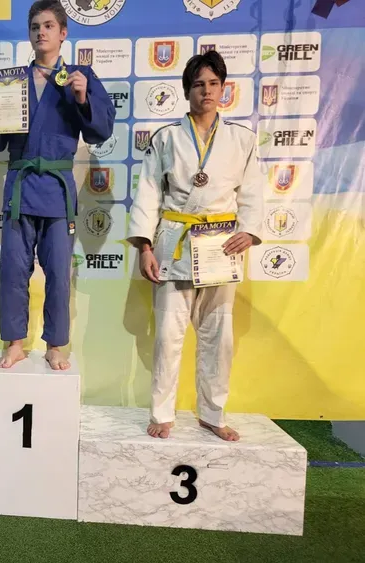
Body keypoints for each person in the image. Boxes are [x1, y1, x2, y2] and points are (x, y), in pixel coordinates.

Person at [126, 51, 263, 442]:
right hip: (175, 241)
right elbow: (148, 193)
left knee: (219, 337)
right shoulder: (166, 138)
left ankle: (212, 413)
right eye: (199, 84)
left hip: (221, 246)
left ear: (224, 89)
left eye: (213, 84)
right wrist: (145, 247)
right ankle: (162, 412)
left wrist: (250, 232)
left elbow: (253, 192)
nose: (207, 91)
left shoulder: (242, 139)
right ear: (187, 91)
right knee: (168, 337)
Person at [0, 0, 115, 371]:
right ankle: (14, 343)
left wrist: (83, 98)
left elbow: (100, 131)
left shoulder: (79, 77)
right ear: (29, 34)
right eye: (36, 26)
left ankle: (55, 344)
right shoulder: (11, 82)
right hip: (20, 186)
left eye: (49, 26)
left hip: (56, 188)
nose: (42, 32)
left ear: (63, 33)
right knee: (13, 271)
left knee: (58, 272)